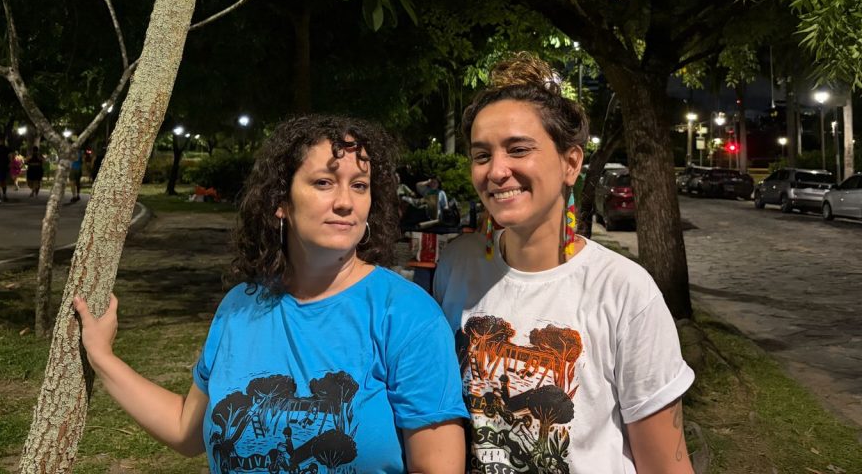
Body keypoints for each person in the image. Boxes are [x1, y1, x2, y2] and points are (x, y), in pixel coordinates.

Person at [74, 114, 468, 474]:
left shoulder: (407, 315)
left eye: (359, 186)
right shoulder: (239, 307)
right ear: (281, 201)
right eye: (324, 183)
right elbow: (185, 429)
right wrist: (103, 358)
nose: (346, 202)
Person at [433, 53, 695, 473]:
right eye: (482, 156)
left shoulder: (624, 289)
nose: (497, 170)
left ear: (571, 162)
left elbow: (666, 465)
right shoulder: (457, 264)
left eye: (518, 149)